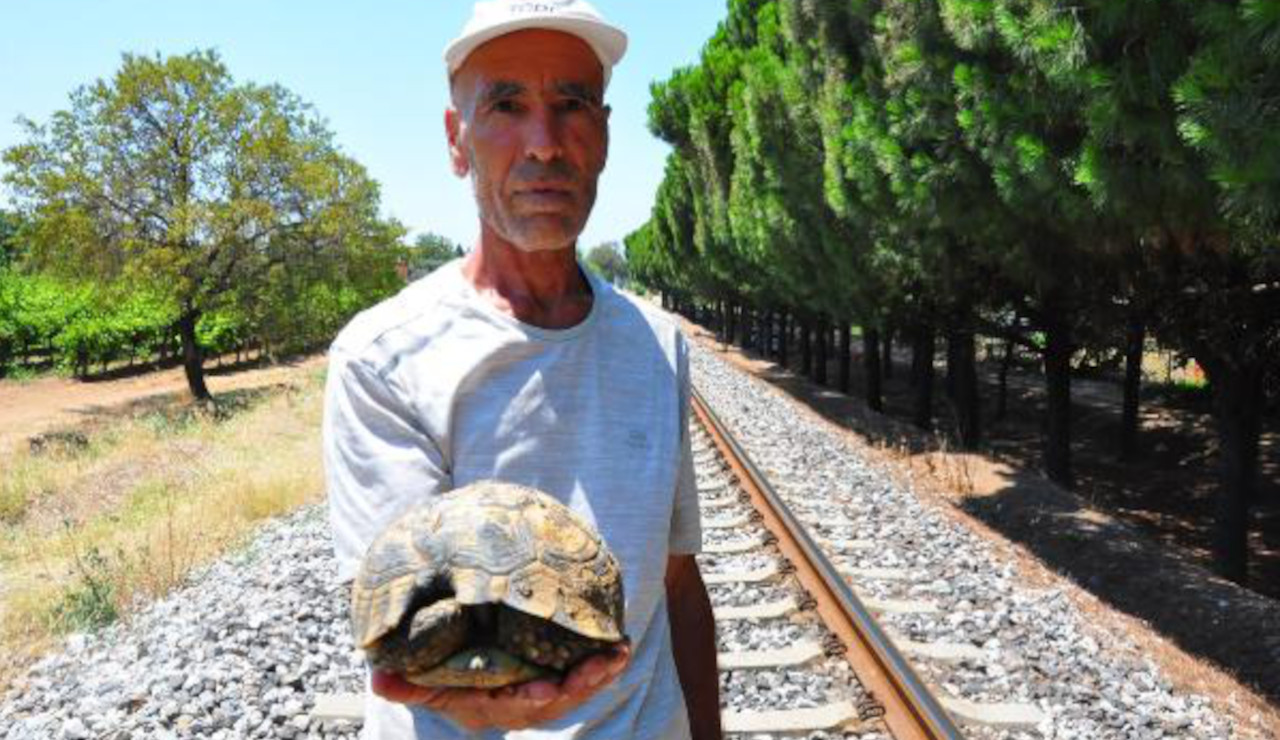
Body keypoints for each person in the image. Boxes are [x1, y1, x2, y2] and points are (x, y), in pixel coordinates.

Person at [321, 1, 722, 738]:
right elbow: (401, 620)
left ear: (603, 134)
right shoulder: (383, 360)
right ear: (456, 141)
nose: (544, 144)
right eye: (506, 105)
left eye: (570, 104)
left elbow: (677, 586)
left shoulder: (658, 345)